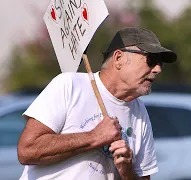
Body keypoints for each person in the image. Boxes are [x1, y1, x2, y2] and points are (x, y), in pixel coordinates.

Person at [17, 27, 177, 180]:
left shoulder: (139, 110)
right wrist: (93, 137)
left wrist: (127, 172)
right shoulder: (69, 84)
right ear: (119, 58)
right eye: (151, 60)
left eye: (160, 63)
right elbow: (27, 150)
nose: (157, 69)